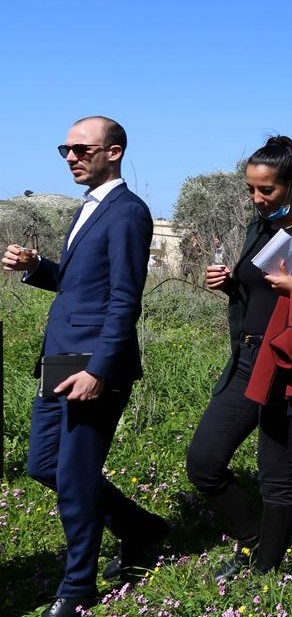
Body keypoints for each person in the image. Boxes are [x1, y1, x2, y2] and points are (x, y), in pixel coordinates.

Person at [2, 116, 167, 617]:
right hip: (60, 358)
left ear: (114, 152)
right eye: (66, 150)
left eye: (81, 149)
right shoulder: (88, 208)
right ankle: (142, 528)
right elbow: (80, 285)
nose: (70, 158)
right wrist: (36, 268)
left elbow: (124, 299)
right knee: (43, 464)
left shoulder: (128, 213)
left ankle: (77, 588)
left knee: (75, 477)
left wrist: (99, 368)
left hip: (92, 364)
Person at [185, 136, 292, 582]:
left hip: (288, 365)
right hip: (246, 359)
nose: (256, 199)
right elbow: (255, 291)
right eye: (251, 189)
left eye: (266, 190)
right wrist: (229, 284)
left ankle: (266, 570)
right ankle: (253, 538)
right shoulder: (257, 228)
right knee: (204, 461)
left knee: (275, 473)